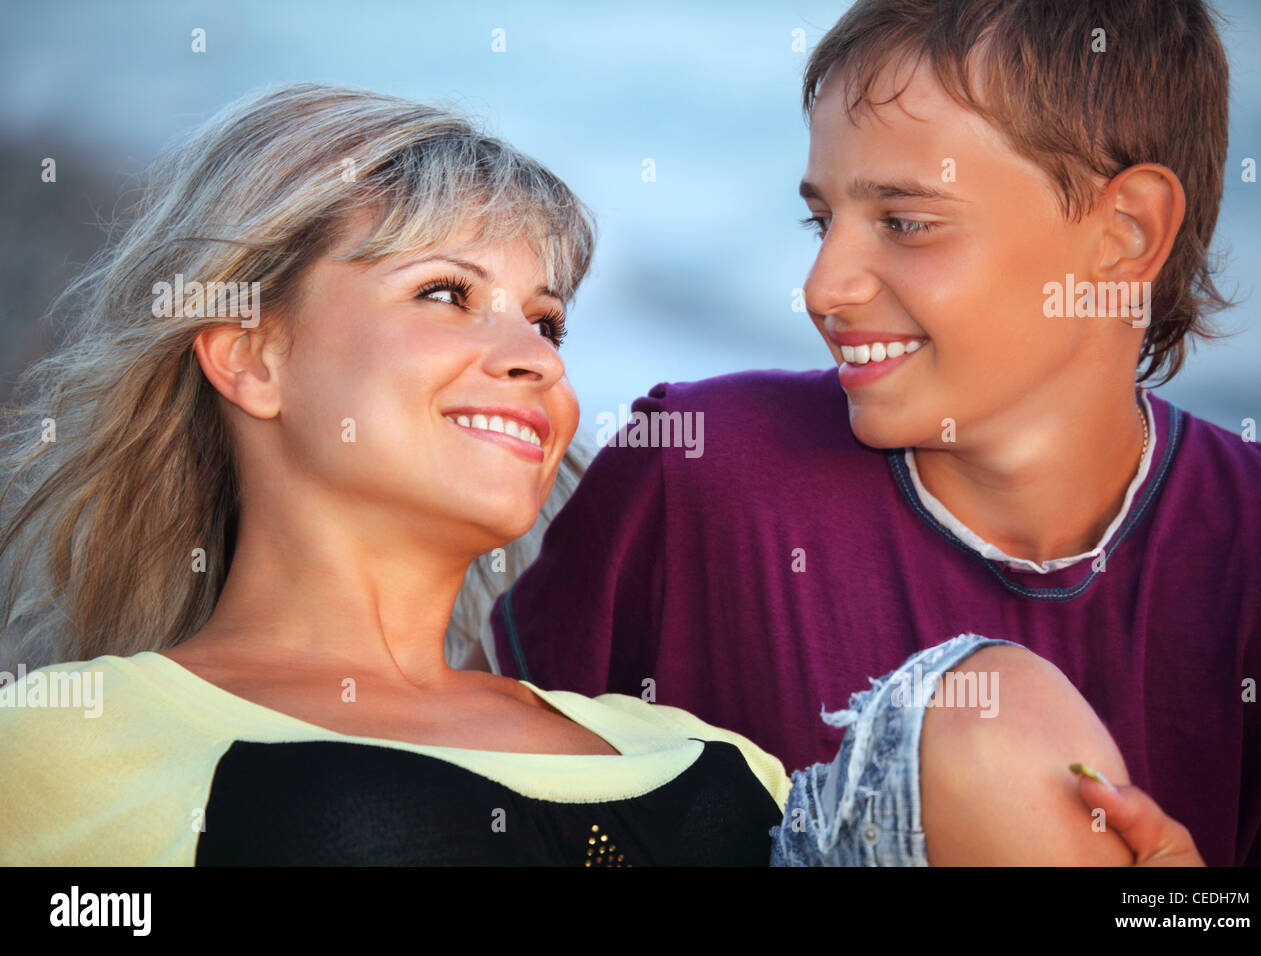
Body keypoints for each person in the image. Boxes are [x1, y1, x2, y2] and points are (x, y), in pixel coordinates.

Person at [0, 82, 1185, 867]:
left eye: (550, 323)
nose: (528, 358)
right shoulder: (70, 739)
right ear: (250, 355)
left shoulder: (698, 749)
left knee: (995, 711)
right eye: (445, 295)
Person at [489, 0, 1261, 867]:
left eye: (907, 222)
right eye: (820, 219)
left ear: (1125, 234)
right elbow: (485, 808)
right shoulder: (697, 473)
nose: (823, 286)